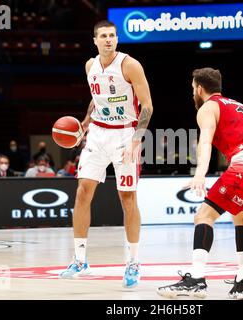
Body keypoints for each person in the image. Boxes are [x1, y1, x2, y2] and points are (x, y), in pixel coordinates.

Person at [157, 68, 243, 300]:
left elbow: (204, 143)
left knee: (203, 216)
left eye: (192, 88)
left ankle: (196, 279)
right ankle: (242, 282)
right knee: (241, 217)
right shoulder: (239, 105)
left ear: (200, 88)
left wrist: (200, 174)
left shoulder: (207, 108)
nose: (192, 92)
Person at [59, 20, 153, 289]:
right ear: (95, 40)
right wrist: (86, 121)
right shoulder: (90, 66)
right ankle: (79, 260)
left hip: (125, 135)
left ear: (116, 39)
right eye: (104, 36)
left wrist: (137, 138)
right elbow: (96, 97)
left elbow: (147, 106)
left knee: (127, 198)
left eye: (112, 35)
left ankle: (133, 262)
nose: (109, 39)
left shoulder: (130, 65)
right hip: (98, 135)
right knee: (82, 192)